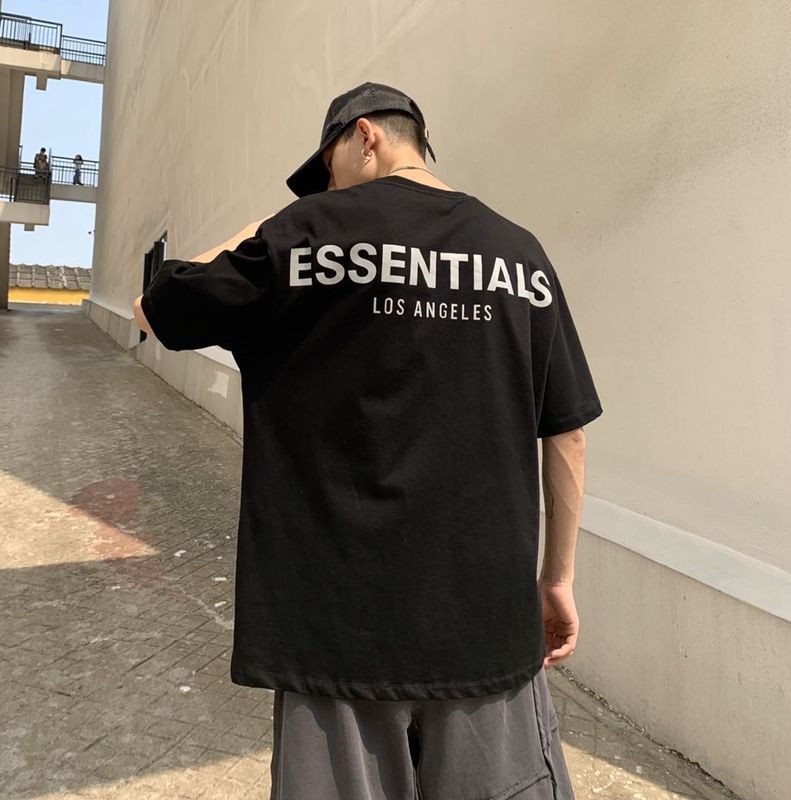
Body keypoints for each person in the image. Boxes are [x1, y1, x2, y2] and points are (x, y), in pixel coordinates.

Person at [133, 81, 602, 800]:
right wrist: (556, 579)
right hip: (483, 628)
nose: (326, 191)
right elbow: (565, 432)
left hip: (335, 634)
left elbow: (156, 307)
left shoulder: (302, 237)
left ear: (365, 136)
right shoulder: (519, 253)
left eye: (328, 170)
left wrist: (278, 227)